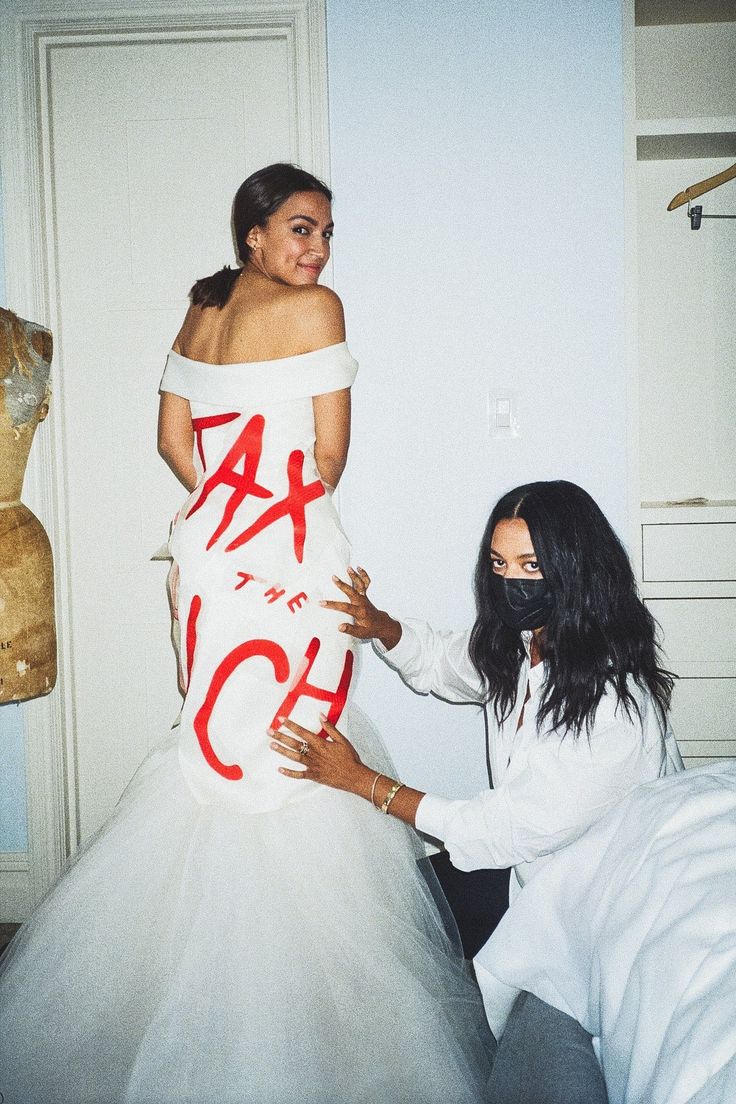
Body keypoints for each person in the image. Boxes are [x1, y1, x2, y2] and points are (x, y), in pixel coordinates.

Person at [0, 164, 494, 1104]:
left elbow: (174, 447)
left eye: (327, 233)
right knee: (295, 760)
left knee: (222, 755)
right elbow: (332, 457)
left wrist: (222, 507)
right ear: (254, 236)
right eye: (301, 229)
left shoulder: (201, 318)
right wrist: (285, 506)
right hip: (287, 560)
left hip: (211, 565)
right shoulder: (320, 310)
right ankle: (306, 1023)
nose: (319, 250)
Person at [272, 478, 683, 940]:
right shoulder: (528, 642)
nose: (512, 582)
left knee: (392, 932)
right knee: (380, 905)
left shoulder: (615, 706)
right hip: (526, 871)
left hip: (596, 903)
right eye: (499, 564)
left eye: (532, 565)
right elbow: (441, 662)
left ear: (577, 569)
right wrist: (379, 625)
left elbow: (499, 830)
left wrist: (361, 780)